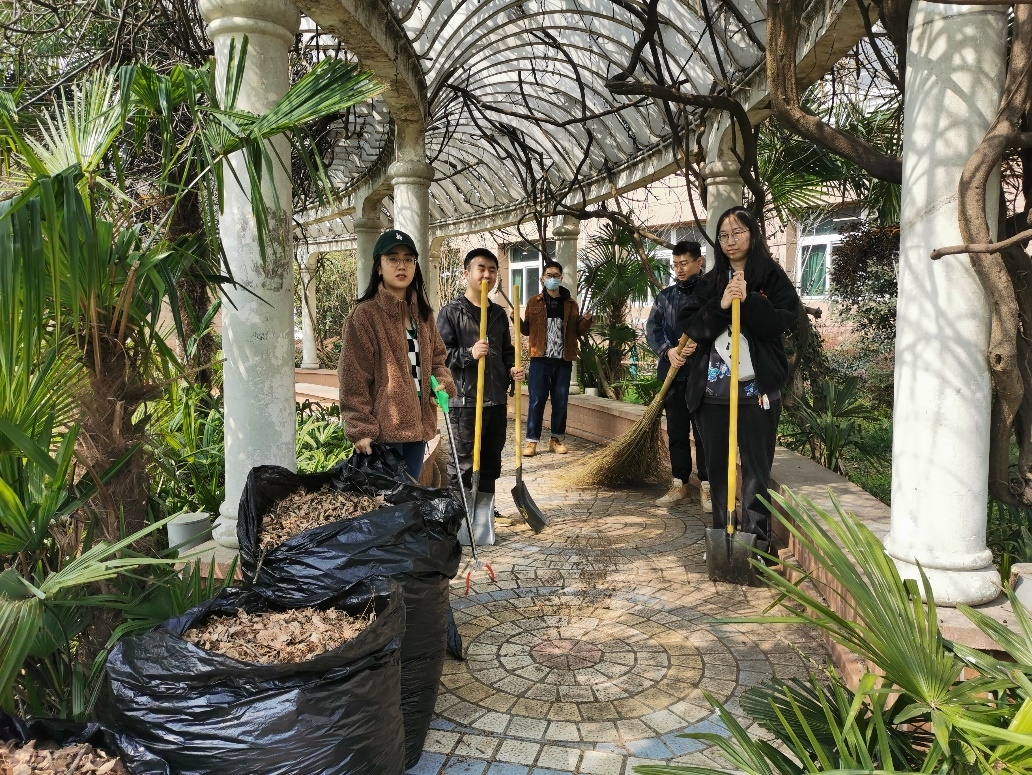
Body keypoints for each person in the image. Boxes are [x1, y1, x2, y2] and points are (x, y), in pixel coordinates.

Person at [678, 207, 800, 551]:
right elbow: (691, 325)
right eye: (724, 235)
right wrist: (720, 304)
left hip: (757, 392)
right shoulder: (711, 281)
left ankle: (756, 543)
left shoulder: (771, 277)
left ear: (753, 235)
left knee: (756, 471)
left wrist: (749, 302)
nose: (730, 241)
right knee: (717, 469)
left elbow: (782, 320)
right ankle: (724, 538)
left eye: (738, 233)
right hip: (713, 393)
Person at [338, 229, 455, 481]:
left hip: (418, 429)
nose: (401, 265)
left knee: (409, 496)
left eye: (408, 259)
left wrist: (441, 382)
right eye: (392, 258)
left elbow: (437, 359)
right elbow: (353, 376)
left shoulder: (423, 315)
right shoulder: (365, 316)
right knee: (387, 500)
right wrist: (360, 428)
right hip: (382, 433)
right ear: (379, 267)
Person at [436, 248, 524, 500]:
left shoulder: (497, 313)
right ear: (467, 274)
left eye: (492, 270)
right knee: (463, 463)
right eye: (481, 268)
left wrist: (512, 369)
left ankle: (484, 510)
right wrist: (469, 353)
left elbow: (506, 351)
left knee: (490, 462)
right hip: (465, 401)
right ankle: (460, 511)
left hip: (495, 400)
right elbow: (440, 356)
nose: (487, 275)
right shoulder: (451, 312)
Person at [646, 240, 708, 507]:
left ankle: (707, 486)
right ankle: (679, 484)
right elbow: (653, 329)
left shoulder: (710, 294)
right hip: (673, 375)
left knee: (704, 433)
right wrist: (667, 351)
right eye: (675, 265)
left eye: (684, 263)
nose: (679, 269)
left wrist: (701, 344)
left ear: (698, 262)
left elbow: (721, 327)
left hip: (704, 375)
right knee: (677, 432)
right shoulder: (665, 297)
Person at [519, 259, 592, 456]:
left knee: (560, 402)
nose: (552, 279)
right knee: (536, 401)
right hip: (540, 359)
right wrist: (514, 318)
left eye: (556, 276)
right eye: (549, 275)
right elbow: (526, 330)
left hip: (563, 361)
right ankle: (531, 441)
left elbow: (578, 331)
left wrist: (586, 320)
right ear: (542, 278)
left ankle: (555, 439)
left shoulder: (571, 304)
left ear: (561, 278)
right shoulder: (534, 302)